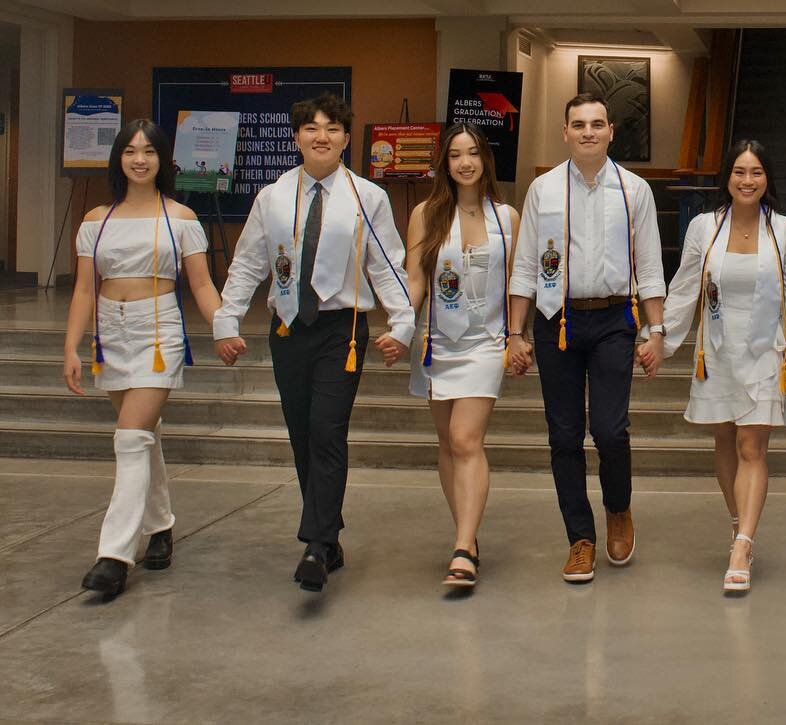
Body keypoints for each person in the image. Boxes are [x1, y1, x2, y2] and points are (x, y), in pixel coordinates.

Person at [212, 94, 413, 594]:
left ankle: (316, 544)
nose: (321, 136)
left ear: (346, 137)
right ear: (296, 136)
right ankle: (328, 534)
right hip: (287, 328)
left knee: (327, 430)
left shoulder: (368, 197)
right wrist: (227, 319)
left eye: (332, 128)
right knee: (303, 433)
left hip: (341, 331)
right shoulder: (273, 198)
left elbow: (388, 265)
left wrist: (403, 322)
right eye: (310, 128)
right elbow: (249, 264)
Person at [508, 93, 666, 584]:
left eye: (597, 124)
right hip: (557, 321)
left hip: (615, 320)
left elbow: (651, 265)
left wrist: (656, 331)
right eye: (579, 124)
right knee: (564, 435)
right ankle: (580, 538)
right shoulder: (544, 189)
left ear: (611, 131)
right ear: (565, 132)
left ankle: (618, 510)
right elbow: (527, 265)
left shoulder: (634, 190)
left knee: (611, 429)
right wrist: (515, 331)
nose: (588, 132)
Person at [63, 120, 222, 597]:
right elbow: (84, 289)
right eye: (130, 151)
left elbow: (200, 285)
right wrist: (71, 346)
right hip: (109, 333)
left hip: (159, 332)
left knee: (130, 439)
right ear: (118, 159)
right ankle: (161, 525)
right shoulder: (95, 220)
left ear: (162, 160)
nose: (139, 159)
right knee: (144, 437)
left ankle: (113, 555)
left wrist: (224, 329)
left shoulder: (181, 218)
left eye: (148, 151)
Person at [662, 140, 786, 594]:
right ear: (727, 177)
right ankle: (740, 520)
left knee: (751, 445)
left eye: (756, 172)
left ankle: (741, 545)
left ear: (767, 179)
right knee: (724, 439)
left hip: (765, 350)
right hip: (716, 348)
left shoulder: (785, 229)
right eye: (739, 171)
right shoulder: (705, 227)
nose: (747, 180)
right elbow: (685, 287)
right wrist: (658, 338)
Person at [403, 123, 520, 589]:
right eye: (455, 155)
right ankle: (466, 539)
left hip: (486, 343)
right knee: (448, 444)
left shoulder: (507, 217)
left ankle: (462, 548)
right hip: (435, 342)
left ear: (486, 159)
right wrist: (398, 327)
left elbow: (517, 284)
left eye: (473, 153)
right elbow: (415, 278)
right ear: (444, 162)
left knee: (465, 438)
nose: (465, 163)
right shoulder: (424, 214)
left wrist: (518, 335)